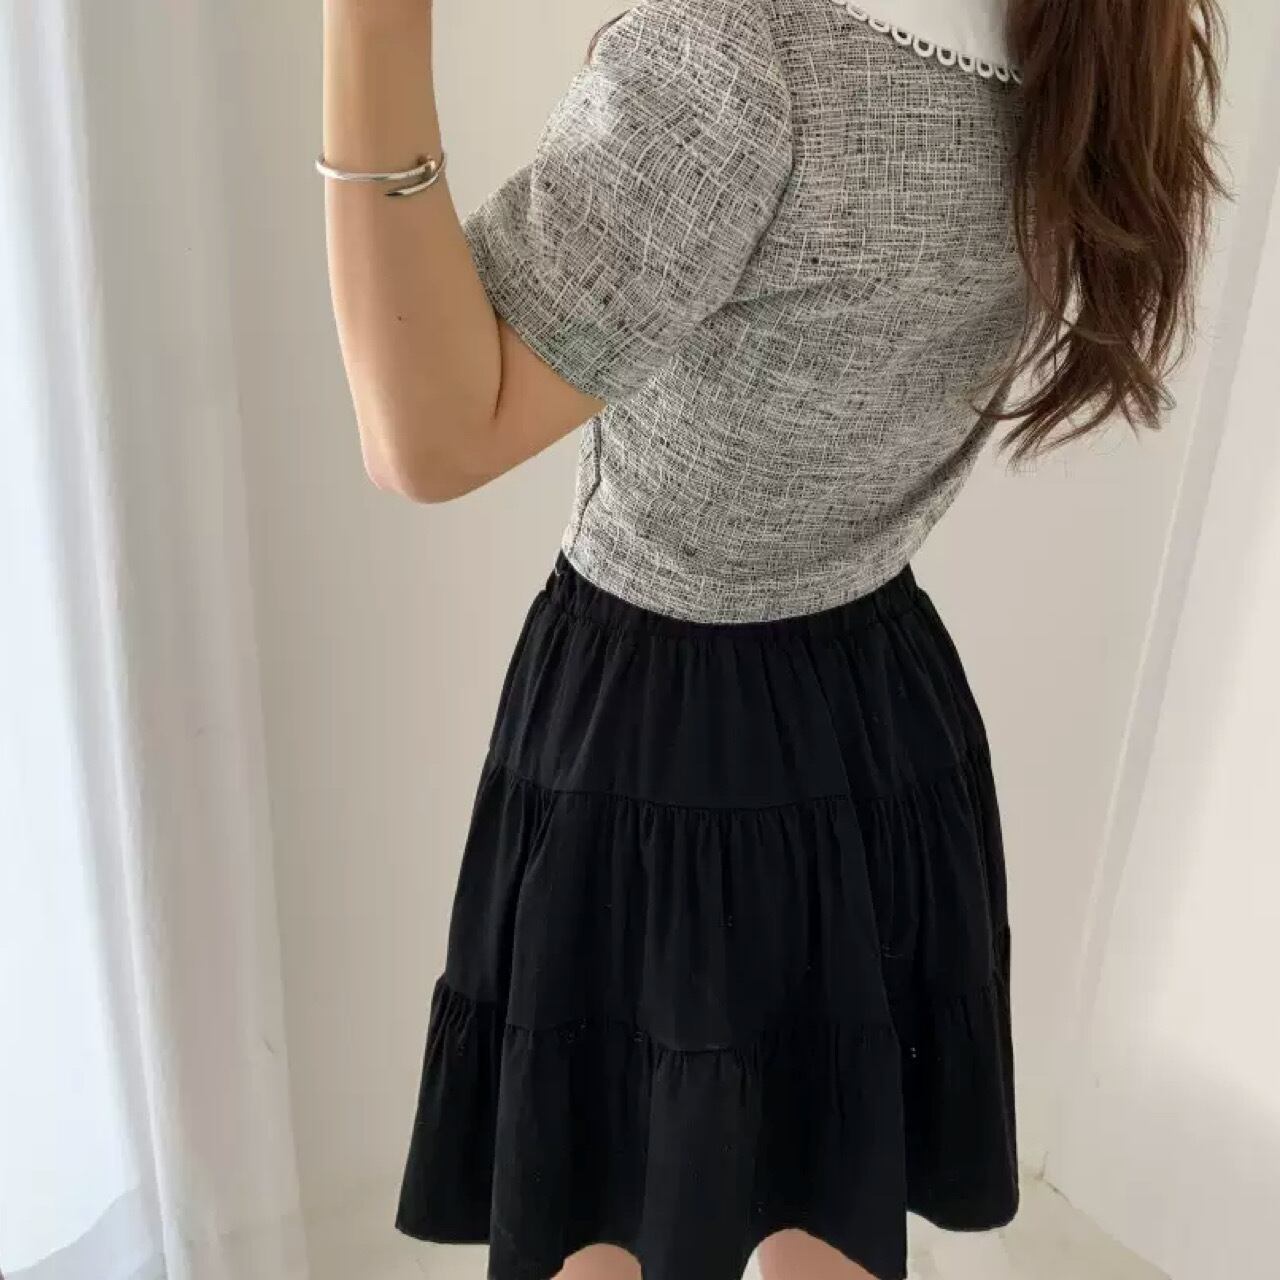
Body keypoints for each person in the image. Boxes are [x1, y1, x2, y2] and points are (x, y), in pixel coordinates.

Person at [318, 0, 1223, 1276]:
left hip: (651, 746)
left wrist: (368, 26)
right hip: (878, 708)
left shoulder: (740, 61)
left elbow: (423, 437)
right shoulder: (1081, 30)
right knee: (821, 1194)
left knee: (601, 1212)